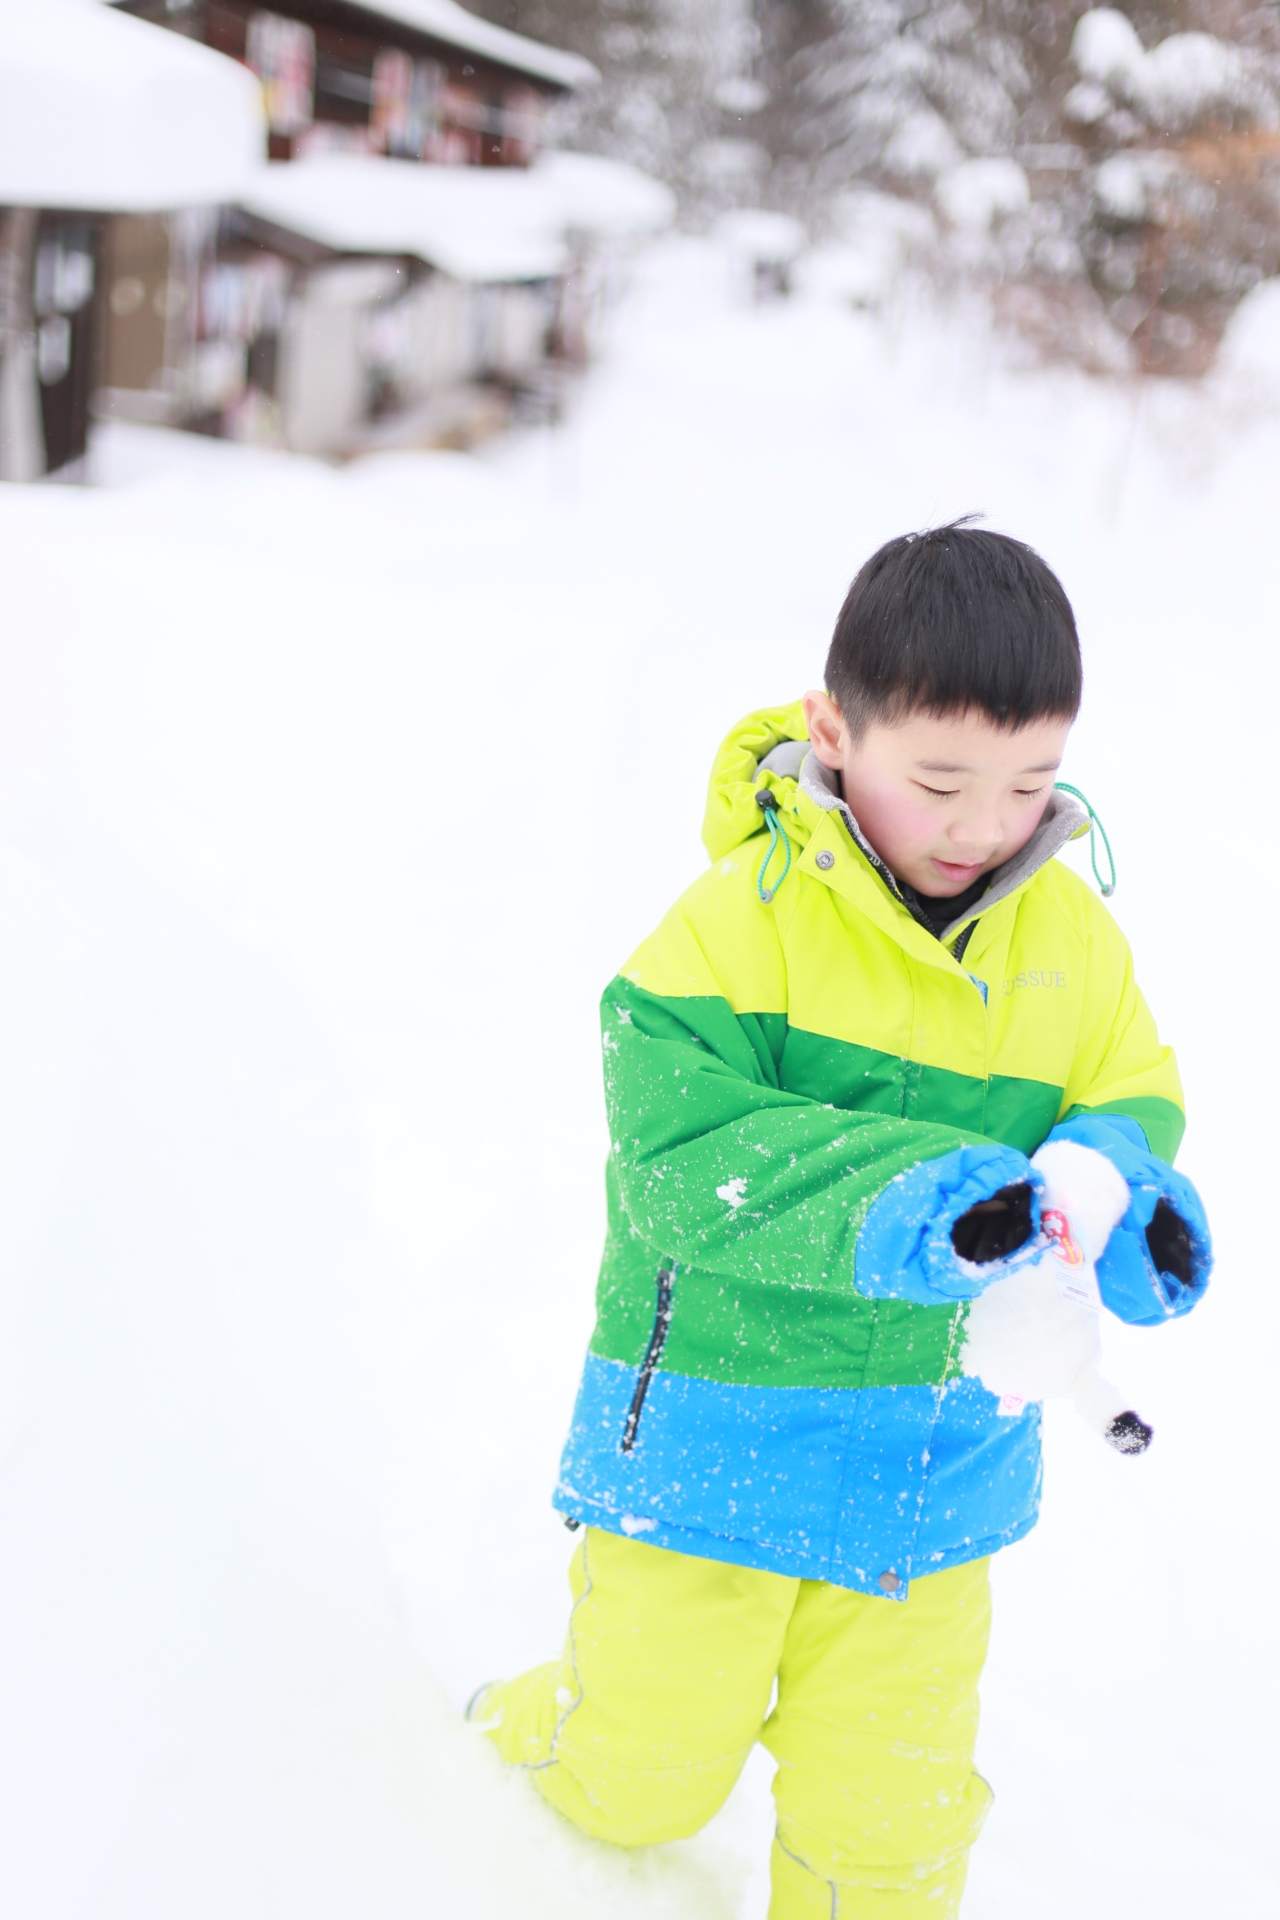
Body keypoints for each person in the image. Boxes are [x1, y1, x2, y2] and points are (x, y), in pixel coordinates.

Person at [469, 523, 1213, 1917]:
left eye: (1031, 783)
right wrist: (920, 1202)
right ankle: (515, 1731)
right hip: (711, 1438)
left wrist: (1119, 1199)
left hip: (926, 1474)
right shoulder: (733, 928)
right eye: (938, 780)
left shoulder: (1073, 947)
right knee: (642, 1772)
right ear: (833, 728)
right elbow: (680, 1155)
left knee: (892, 1834)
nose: (982, 826)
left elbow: (1129, 1096)